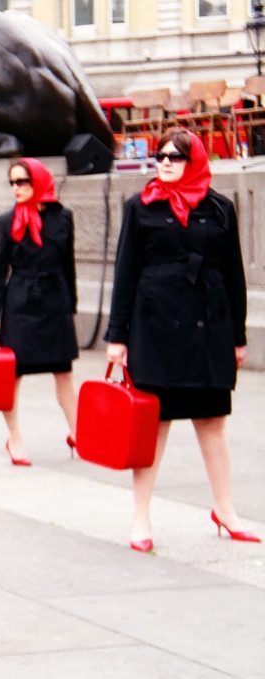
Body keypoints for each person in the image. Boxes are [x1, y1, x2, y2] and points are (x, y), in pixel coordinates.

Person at [106, 128, 256, 551]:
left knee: (212, 424)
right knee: (154, 425)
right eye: (161, 155)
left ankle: (225, 509)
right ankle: (140, 517)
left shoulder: (220, 209)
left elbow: (234, 278)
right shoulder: (141, 208)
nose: (166, 162)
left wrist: (238, 338)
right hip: (155, 329)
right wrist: (117, 338)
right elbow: (125, 274)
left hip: (209, 330)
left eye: (176, 156)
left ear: (196, 162)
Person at [0, 158, 78, 466]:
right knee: (13, 376)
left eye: (22, 181)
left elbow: (69, 265)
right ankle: (15, 438)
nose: (16, 188)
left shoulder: (63, 218)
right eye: (12, 183)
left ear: (37, 181)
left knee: (64, 373)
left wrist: (71, 306)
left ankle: (79, 433)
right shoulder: (6, 221)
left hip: (55, 302)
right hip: (20, 303)